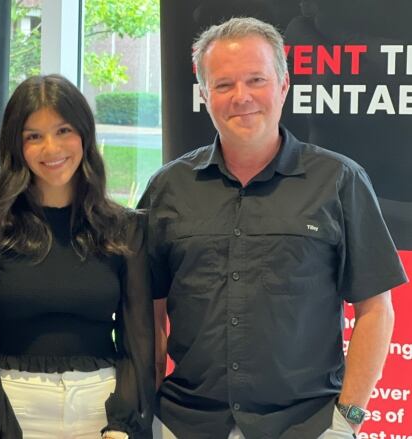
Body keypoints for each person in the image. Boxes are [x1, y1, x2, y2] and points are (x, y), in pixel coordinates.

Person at [138, 17, 407, 439]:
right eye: (223, 85)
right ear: (205, 95)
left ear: (283, 86)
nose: (241, 97)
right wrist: (145, 408)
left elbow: (376, 310)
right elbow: (147, 313)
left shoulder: (339, 181)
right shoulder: (167, 189)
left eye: (256, 80)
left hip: (307, 426)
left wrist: (348, 419)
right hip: (185, 424)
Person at [0, 74, 155, 439]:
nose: (51, 148)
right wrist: (1, 431)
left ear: (84, 135)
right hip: (16, 410)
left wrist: (122, 426)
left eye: (63, 131)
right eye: (34, 136)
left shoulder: (124, 228)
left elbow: (138, 341)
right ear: (16, 145)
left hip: (102, 411)